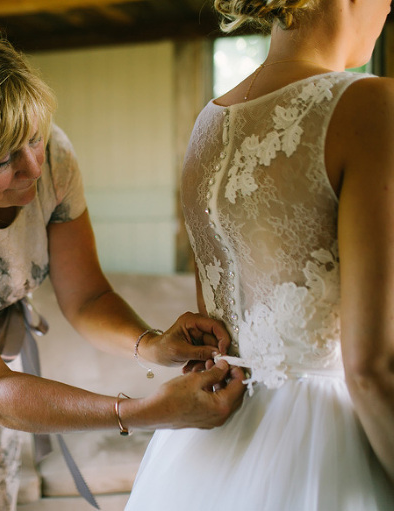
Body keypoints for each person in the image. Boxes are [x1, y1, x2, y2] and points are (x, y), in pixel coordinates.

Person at [0, 24, 245, 511]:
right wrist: (140, 412)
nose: (33, 168)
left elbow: (87, 298)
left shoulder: (52, 158)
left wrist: (154, 345)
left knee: (1, 497)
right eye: (0, 159)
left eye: (32, 137)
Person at [126, 1, 394, 509]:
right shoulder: (370, 105)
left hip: (209, 443)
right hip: (327, 446)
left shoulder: (208, 122)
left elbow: (215, 334)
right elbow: (371, 368)